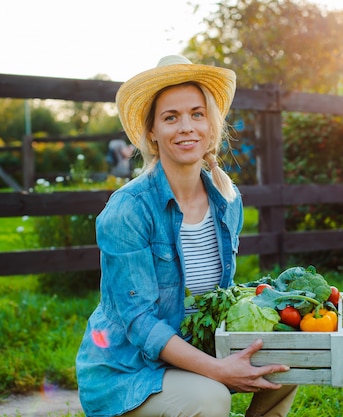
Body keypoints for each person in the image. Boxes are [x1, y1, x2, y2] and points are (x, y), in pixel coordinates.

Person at [75, 55, 298, 417]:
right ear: (152, 132)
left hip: (195, 349)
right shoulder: (128, 210)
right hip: (129, 371)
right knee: (211, 398)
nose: (186, 127)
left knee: (290, 357)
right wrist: (218, 371)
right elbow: (139, 322)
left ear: (211, 124)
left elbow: (218, 296)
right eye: (170, 117)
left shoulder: (227, 200)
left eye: (197, 114)